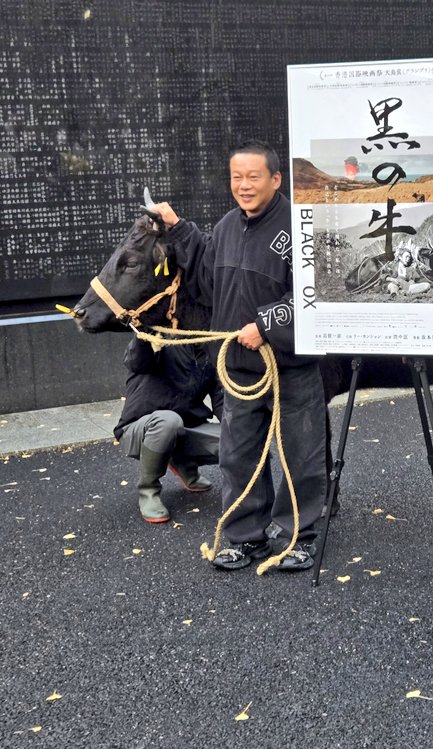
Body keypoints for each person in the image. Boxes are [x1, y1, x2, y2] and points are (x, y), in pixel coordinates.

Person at [148, 139, 328, 573]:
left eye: (253, 177)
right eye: (236, 177)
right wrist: (176, 227)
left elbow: (315, 292)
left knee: (300, 457)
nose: (244, 186)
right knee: (238, 455)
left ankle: (297, 538)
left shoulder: (300, 227)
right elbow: (208, 277)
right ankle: (244, 535)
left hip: (292, 368)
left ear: (276, 178)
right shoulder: (228, 226)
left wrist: (266, 325)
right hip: (239, 369)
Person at [114, 337, 223, 524]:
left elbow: (221, 401)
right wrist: (145, 333)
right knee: (168, 422)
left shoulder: (212, 352)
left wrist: (243, 433)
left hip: (186, 428)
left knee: (242, 440)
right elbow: (137, 361)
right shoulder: (160, 337)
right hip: (140, 430)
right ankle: (148, 490)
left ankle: (184, 465)